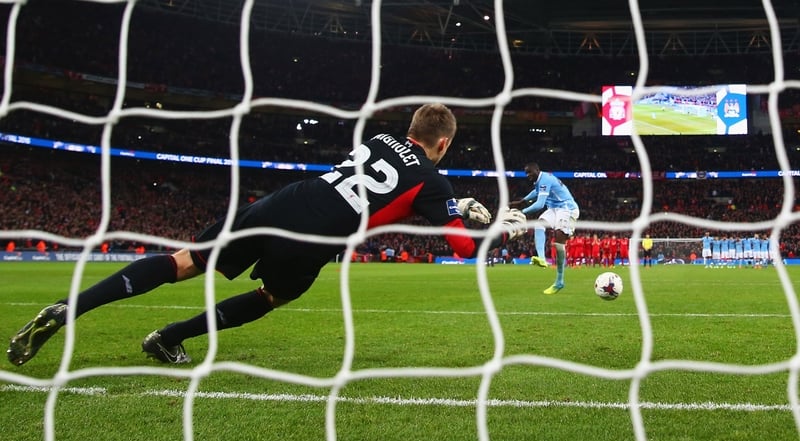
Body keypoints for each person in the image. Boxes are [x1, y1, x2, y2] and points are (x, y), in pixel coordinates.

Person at [7, 103, 528, 366]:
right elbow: (461, 245)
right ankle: (169, 338)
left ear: (411, 128)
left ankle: (68, 308)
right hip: (316, 234)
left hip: (286, 199)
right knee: (271, 296)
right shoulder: (433, 179)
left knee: (184, 261)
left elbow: (387, 189)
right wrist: (502, 230)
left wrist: (452, 204)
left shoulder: (379, 138)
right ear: (444, 144)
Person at [509, 162, 579, 295]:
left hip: (567, 208)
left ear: (537, 170)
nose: (528, 175)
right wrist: (522, 201)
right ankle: (542, 258)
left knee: (559, 241)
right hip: (554, 209)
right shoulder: (540, 181)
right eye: (526, 173)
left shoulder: (545, 179)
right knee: (539, 224)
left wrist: (521, 212)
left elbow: (540, 204)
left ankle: (559, 281)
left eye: (530, 172)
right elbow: (536, 192)